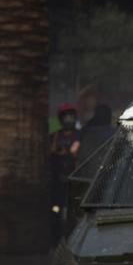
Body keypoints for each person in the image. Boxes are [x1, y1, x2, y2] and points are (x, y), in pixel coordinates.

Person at [50, 103, 81, 243]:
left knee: (72, 212)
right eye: (66, 117)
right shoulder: (55, 136)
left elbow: (78, 153)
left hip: (73, 179)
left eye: (71, 117)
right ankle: (56, 239)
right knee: (55, 210)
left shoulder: (79, 135)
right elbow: (51, 153)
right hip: (57, 180)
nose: (69, 120)